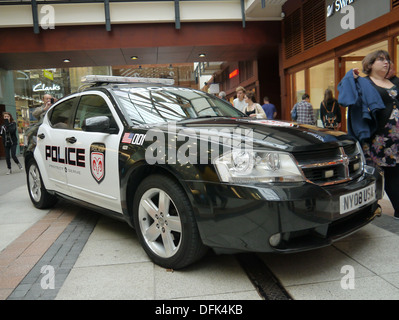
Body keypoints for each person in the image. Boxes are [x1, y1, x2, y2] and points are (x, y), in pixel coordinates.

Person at [338, 50, 399, 220]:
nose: (386, 62)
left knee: (395, 175)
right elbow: (346, 96)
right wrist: (352, 78)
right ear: (370, 64)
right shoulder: (364, 82)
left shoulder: (395, 82)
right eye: (380, 59)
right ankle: (370, 209)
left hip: (396, 140)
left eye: (387, 59)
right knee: (374, 175)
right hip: (376, 138)